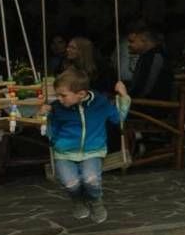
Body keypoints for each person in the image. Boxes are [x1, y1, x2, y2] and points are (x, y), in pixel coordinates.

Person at [46, 67, 130, 223]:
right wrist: (45, 117)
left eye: (63, 95)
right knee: (71, 184)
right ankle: (77, 201)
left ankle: (96, 202)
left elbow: (118, 118)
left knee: (91, 180)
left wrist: (123, 96)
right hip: (64, 153)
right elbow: (50, 130)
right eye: (57, 95)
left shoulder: (100, 103)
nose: (59, 99)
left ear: (81, 94)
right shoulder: (57, 108)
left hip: (93, 151)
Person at [125, 28, 174, 102]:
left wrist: (127, 97)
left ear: (143, 40)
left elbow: (146, 89)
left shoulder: (155, 56)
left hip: (151, 104)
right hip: (141, 101)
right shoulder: (146, 56)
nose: (129, 45)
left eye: (132, 41)